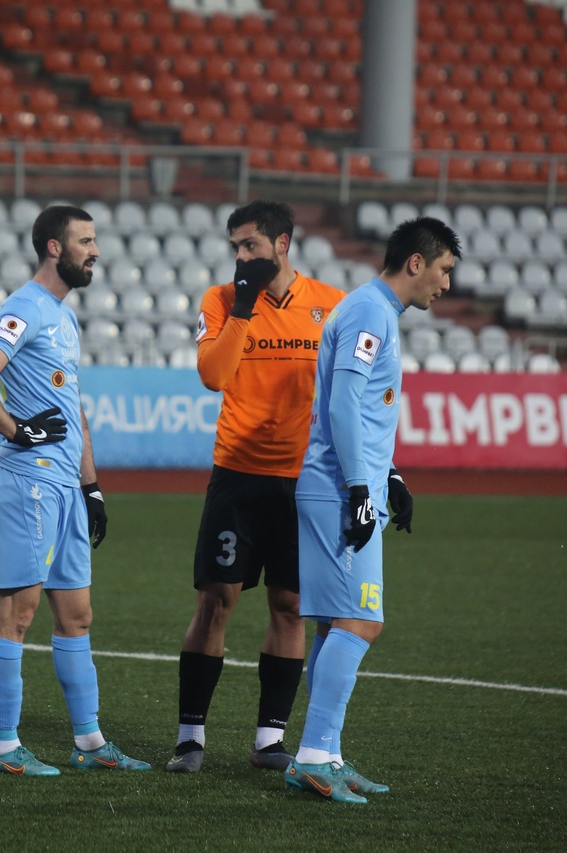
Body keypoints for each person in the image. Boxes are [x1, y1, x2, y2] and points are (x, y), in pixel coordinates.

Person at [0, 205, 149, 776]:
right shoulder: (25, 307)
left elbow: (74, 411)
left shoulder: (63, 316)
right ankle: (4, 749)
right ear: (54, 248)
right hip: (28, 481)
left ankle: (89, 743)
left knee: (77, 615)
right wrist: (18, 430)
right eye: (85, 241)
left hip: (64, 485)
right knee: (18, 613)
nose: (96, 251)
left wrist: (92, 488)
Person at [167, 201, 345, 773]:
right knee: (216, 600)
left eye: (251, 245)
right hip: (238, 476)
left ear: (282, 244)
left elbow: (347, 396)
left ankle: (269, 740)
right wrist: (243, 307)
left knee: (290, 605)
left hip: (304, 480)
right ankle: (190, 736)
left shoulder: (332, 305)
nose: (242, 257)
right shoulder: (221, 300)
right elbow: (214, 375)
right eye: (236, 248)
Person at [286, 216, 459, 802]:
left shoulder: (373, 310)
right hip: (339, 489)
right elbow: (341, 405)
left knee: (336, 623)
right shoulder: (368, 311)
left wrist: (390, 476)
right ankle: (313, 756)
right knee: (362, 621)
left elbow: (362, 411)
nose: (446, 285)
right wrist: (362, 489)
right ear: (416, 262)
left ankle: (327, 753)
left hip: (342, 483)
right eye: (443, 270)